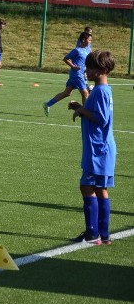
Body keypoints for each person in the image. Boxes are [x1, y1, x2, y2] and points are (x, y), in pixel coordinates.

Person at [67, 50, 116, 245]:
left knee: (86, 187)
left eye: (90, 67)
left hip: (98, 149)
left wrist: (81, 111)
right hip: (101, 148)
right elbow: (96, 113)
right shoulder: (102, 90)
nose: (86, 70)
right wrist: (81, 107)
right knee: (99, 188)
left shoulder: (101, 91)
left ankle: (92, 233)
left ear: (102, 70)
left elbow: (102, 119)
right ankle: (103, 235)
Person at [43, 31, 92, 115]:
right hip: (77, 74)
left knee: (67, 93)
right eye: (89, 40)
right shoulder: (77, 50)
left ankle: (48, 104)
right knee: (85, 93)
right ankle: (86, 113)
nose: (91, 42)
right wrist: (73, 66)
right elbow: (66, 58)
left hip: (79, 75)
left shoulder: (88, 49)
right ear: (84, 40)